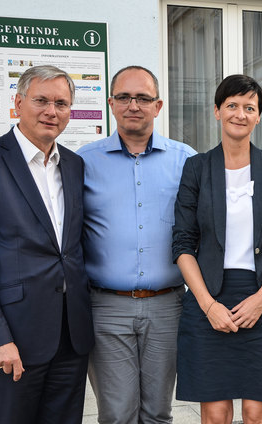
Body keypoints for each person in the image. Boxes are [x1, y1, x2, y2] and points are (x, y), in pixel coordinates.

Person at [172, 74, 262, 424]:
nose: (240, 114)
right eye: (232, 105)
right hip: (208, 297)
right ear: (217, 111)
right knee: (215, 414)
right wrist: (208, 305)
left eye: (249, 107)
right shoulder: (196, 167)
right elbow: (183, 243)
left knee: (259, 413)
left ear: (258, 117)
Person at [77, 66, 196, 423]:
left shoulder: (186, 160)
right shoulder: (83, 161)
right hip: (105, 307)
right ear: (111, 103)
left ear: (158, 106)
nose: (134, 105)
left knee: (158, 412)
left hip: (168, 306)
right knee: (117, 414)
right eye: (125, 97)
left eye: (143, 98)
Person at [0, 65, 94, 423]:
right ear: (17, 103)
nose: (51, 111)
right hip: (11, 339)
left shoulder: (73, 165)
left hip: (70, 338)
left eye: (61, 103)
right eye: (41, 100)